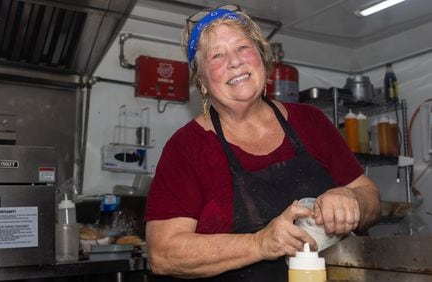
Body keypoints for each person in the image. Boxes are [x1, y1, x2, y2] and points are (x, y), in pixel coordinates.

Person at [144, 4, 381, 281]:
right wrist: (260, 244)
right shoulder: (187, 148)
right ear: (203, 82)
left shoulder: (311, 122)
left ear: (262, 57)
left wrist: (352, 198)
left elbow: (372, 199)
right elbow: (163, 253)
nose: (235, 61)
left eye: (243, 47)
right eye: (217, 55)